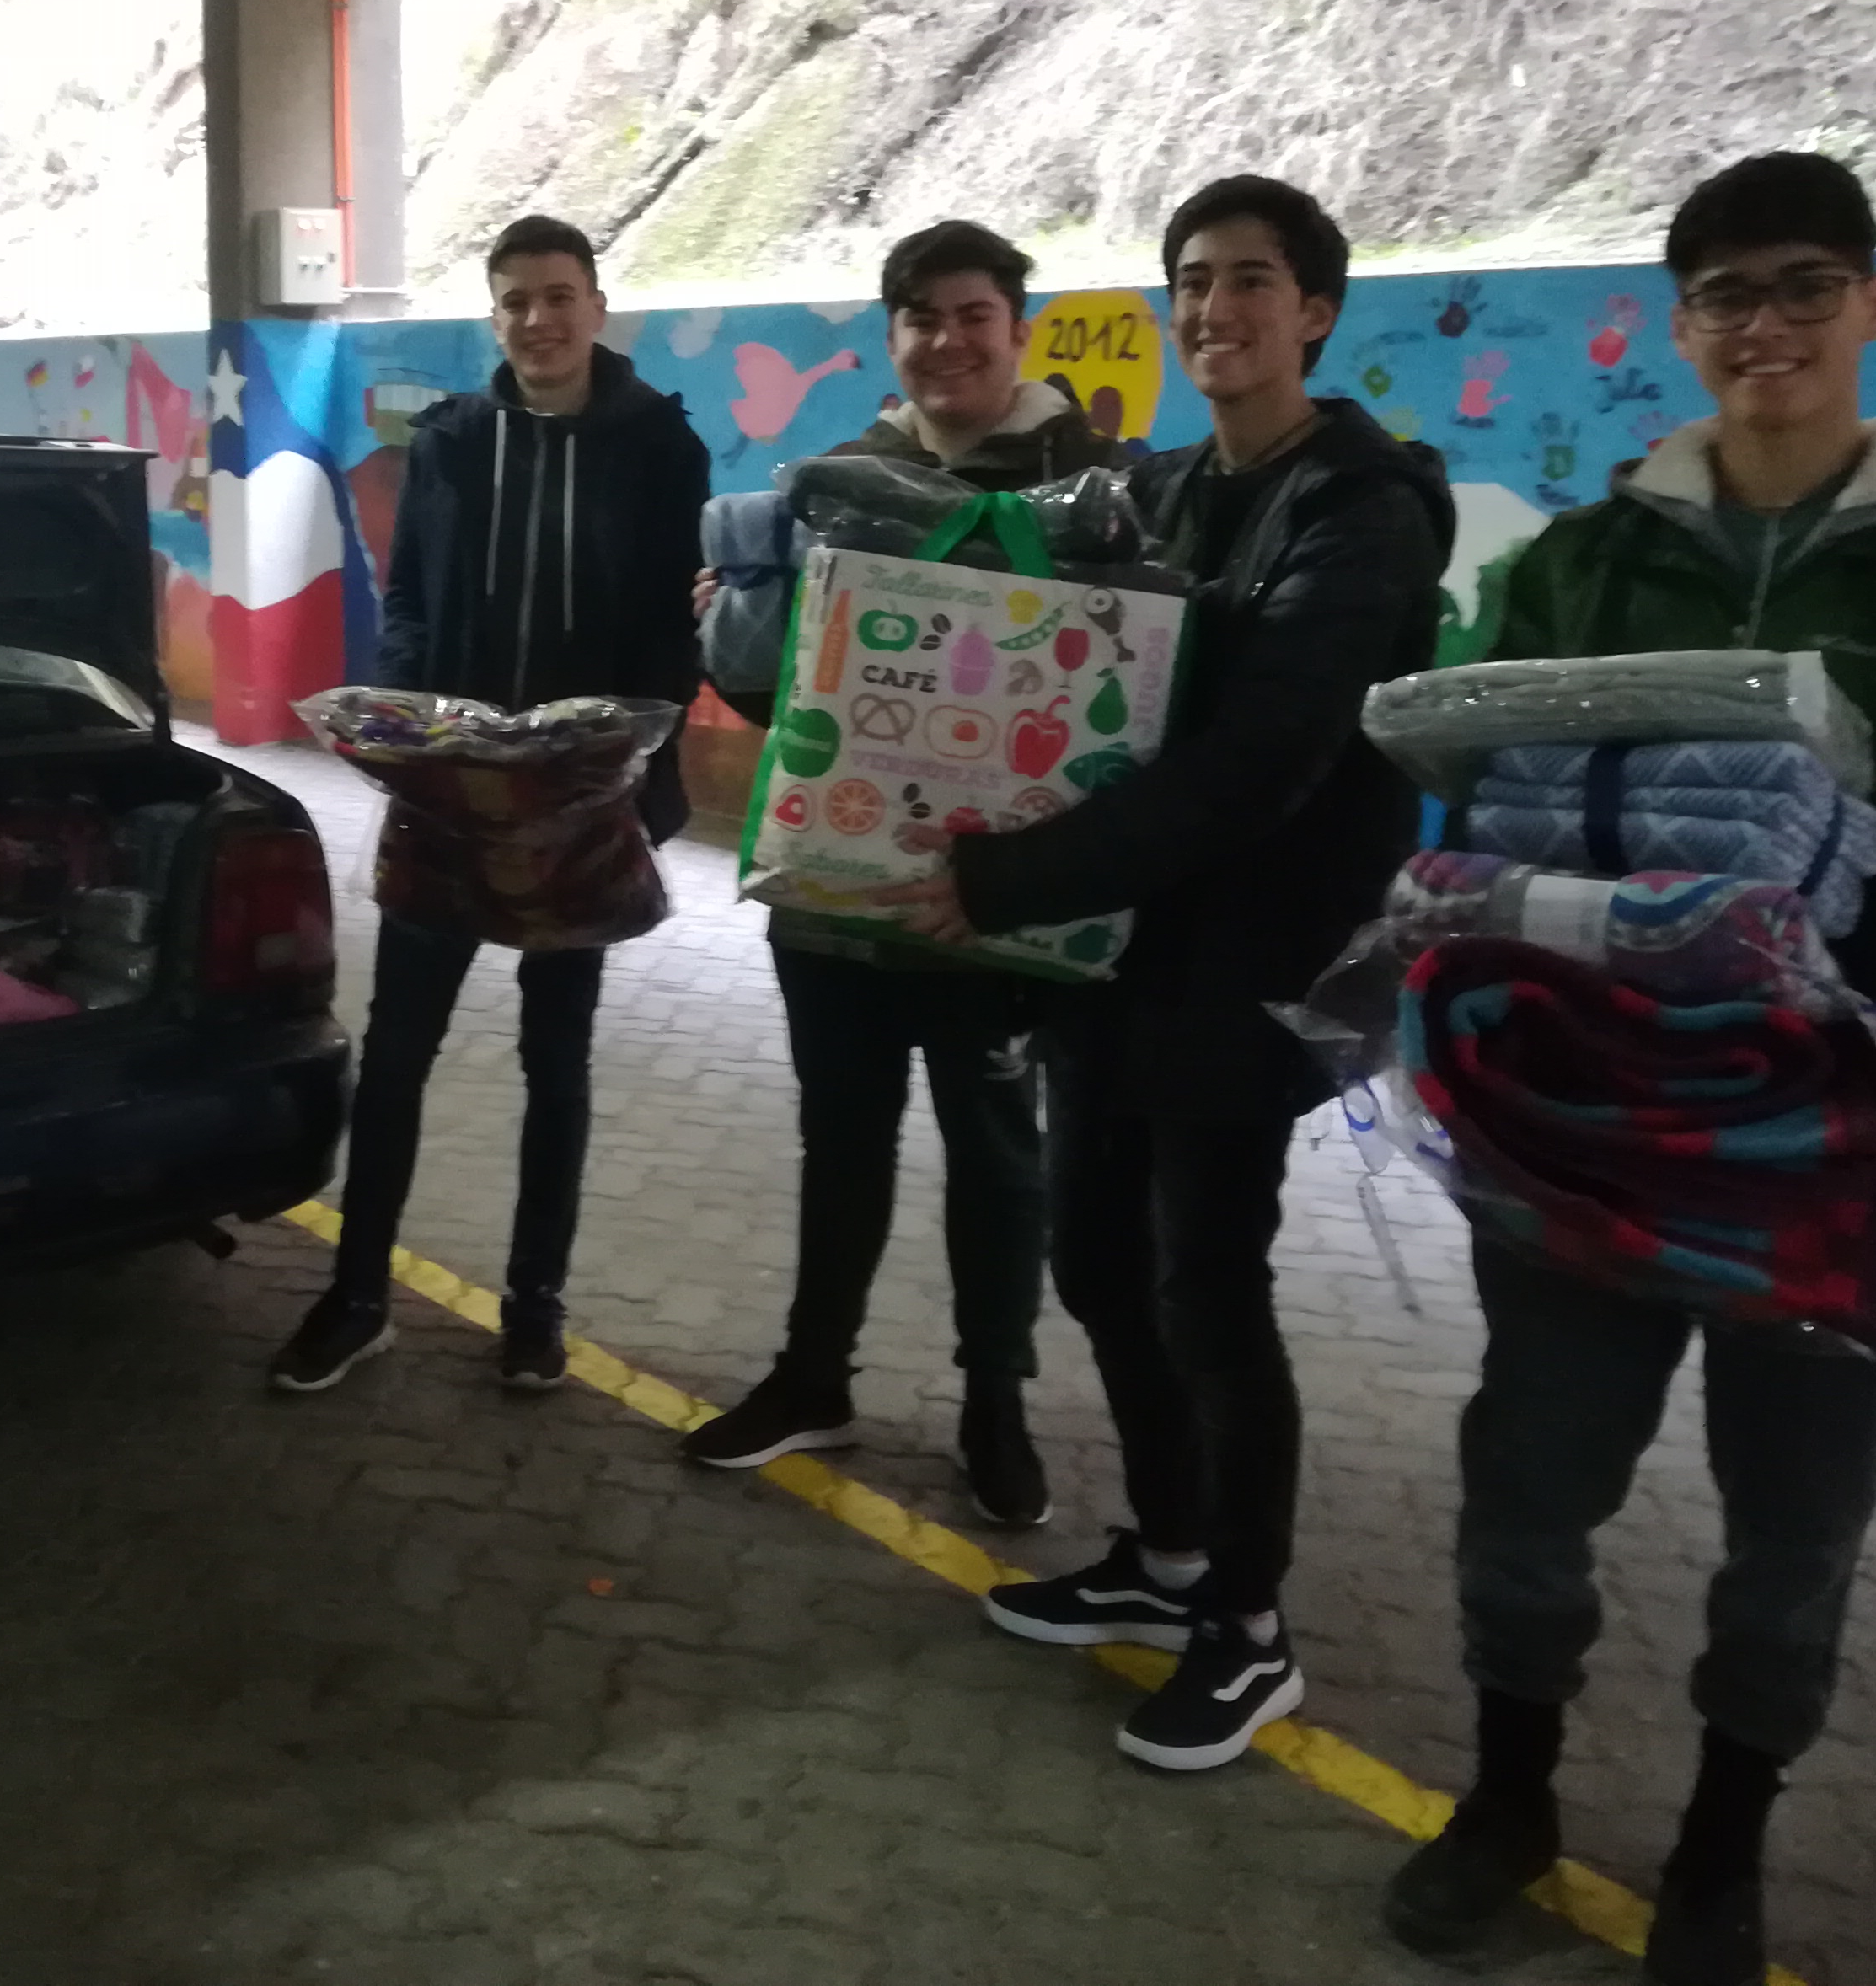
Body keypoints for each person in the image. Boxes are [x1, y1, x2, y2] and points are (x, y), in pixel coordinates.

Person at [1380, 154, 1876, 1986]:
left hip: (1827, 1136)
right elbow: (1496, 803)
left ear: (1873, 303)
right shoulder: (1589, 558)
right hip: (1583, 1109)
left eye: (1804, 284)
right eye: (1726, 295)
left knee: (1794, 1530)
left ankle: (1720, 1849)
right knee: (1530, 1482)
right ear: (1680, 327)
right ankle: (1509, 1800)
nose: (1767, 326)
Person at [880, 176, 1453, 1771]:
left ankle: (1248, 1627)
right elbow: (1065, 681)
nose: (1215, 309)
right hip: (1119, 950)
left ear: (1315, 311)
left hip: (1254, 963)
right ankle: (1171, 1549)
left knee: (1209, 1282)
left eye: (1251, 281)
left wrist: (1006, 880)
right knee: (1094, 1256)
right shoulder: (1160, 489)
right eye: (1193, 281)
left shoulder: (1362, 512)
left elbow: (1259, 764)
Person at [678, 220, 1119, 1526]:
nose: (948, 341)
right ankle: (814, 1374)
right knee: (842, 1134)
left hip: (999, 898)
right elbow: (775, 696)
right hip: (840, 884)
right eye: (922, 318)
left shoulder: (1098, 492)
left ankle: (996, 1403)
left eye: (974, 314)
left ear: (1019, 330)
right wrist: (733, 624)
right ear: (893, 338)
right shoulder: (838, 486)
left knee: (998, 1154)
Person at [269, 214, 710, 1395]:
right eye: (515, 300)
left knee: (555, 1059)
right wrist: (414, 731)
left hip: (581, 805)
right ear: (494, 316)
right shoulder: (452, 440)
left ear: (596, 307)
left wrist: (623, 766)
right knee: (398, 1053)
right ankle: (358, 1296)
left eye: (558, 296)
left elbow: (674, 626)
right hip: (451, 792)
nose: (538, 320)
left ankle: (535, 1307)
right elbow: (409, 595)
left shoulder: (661, 445)